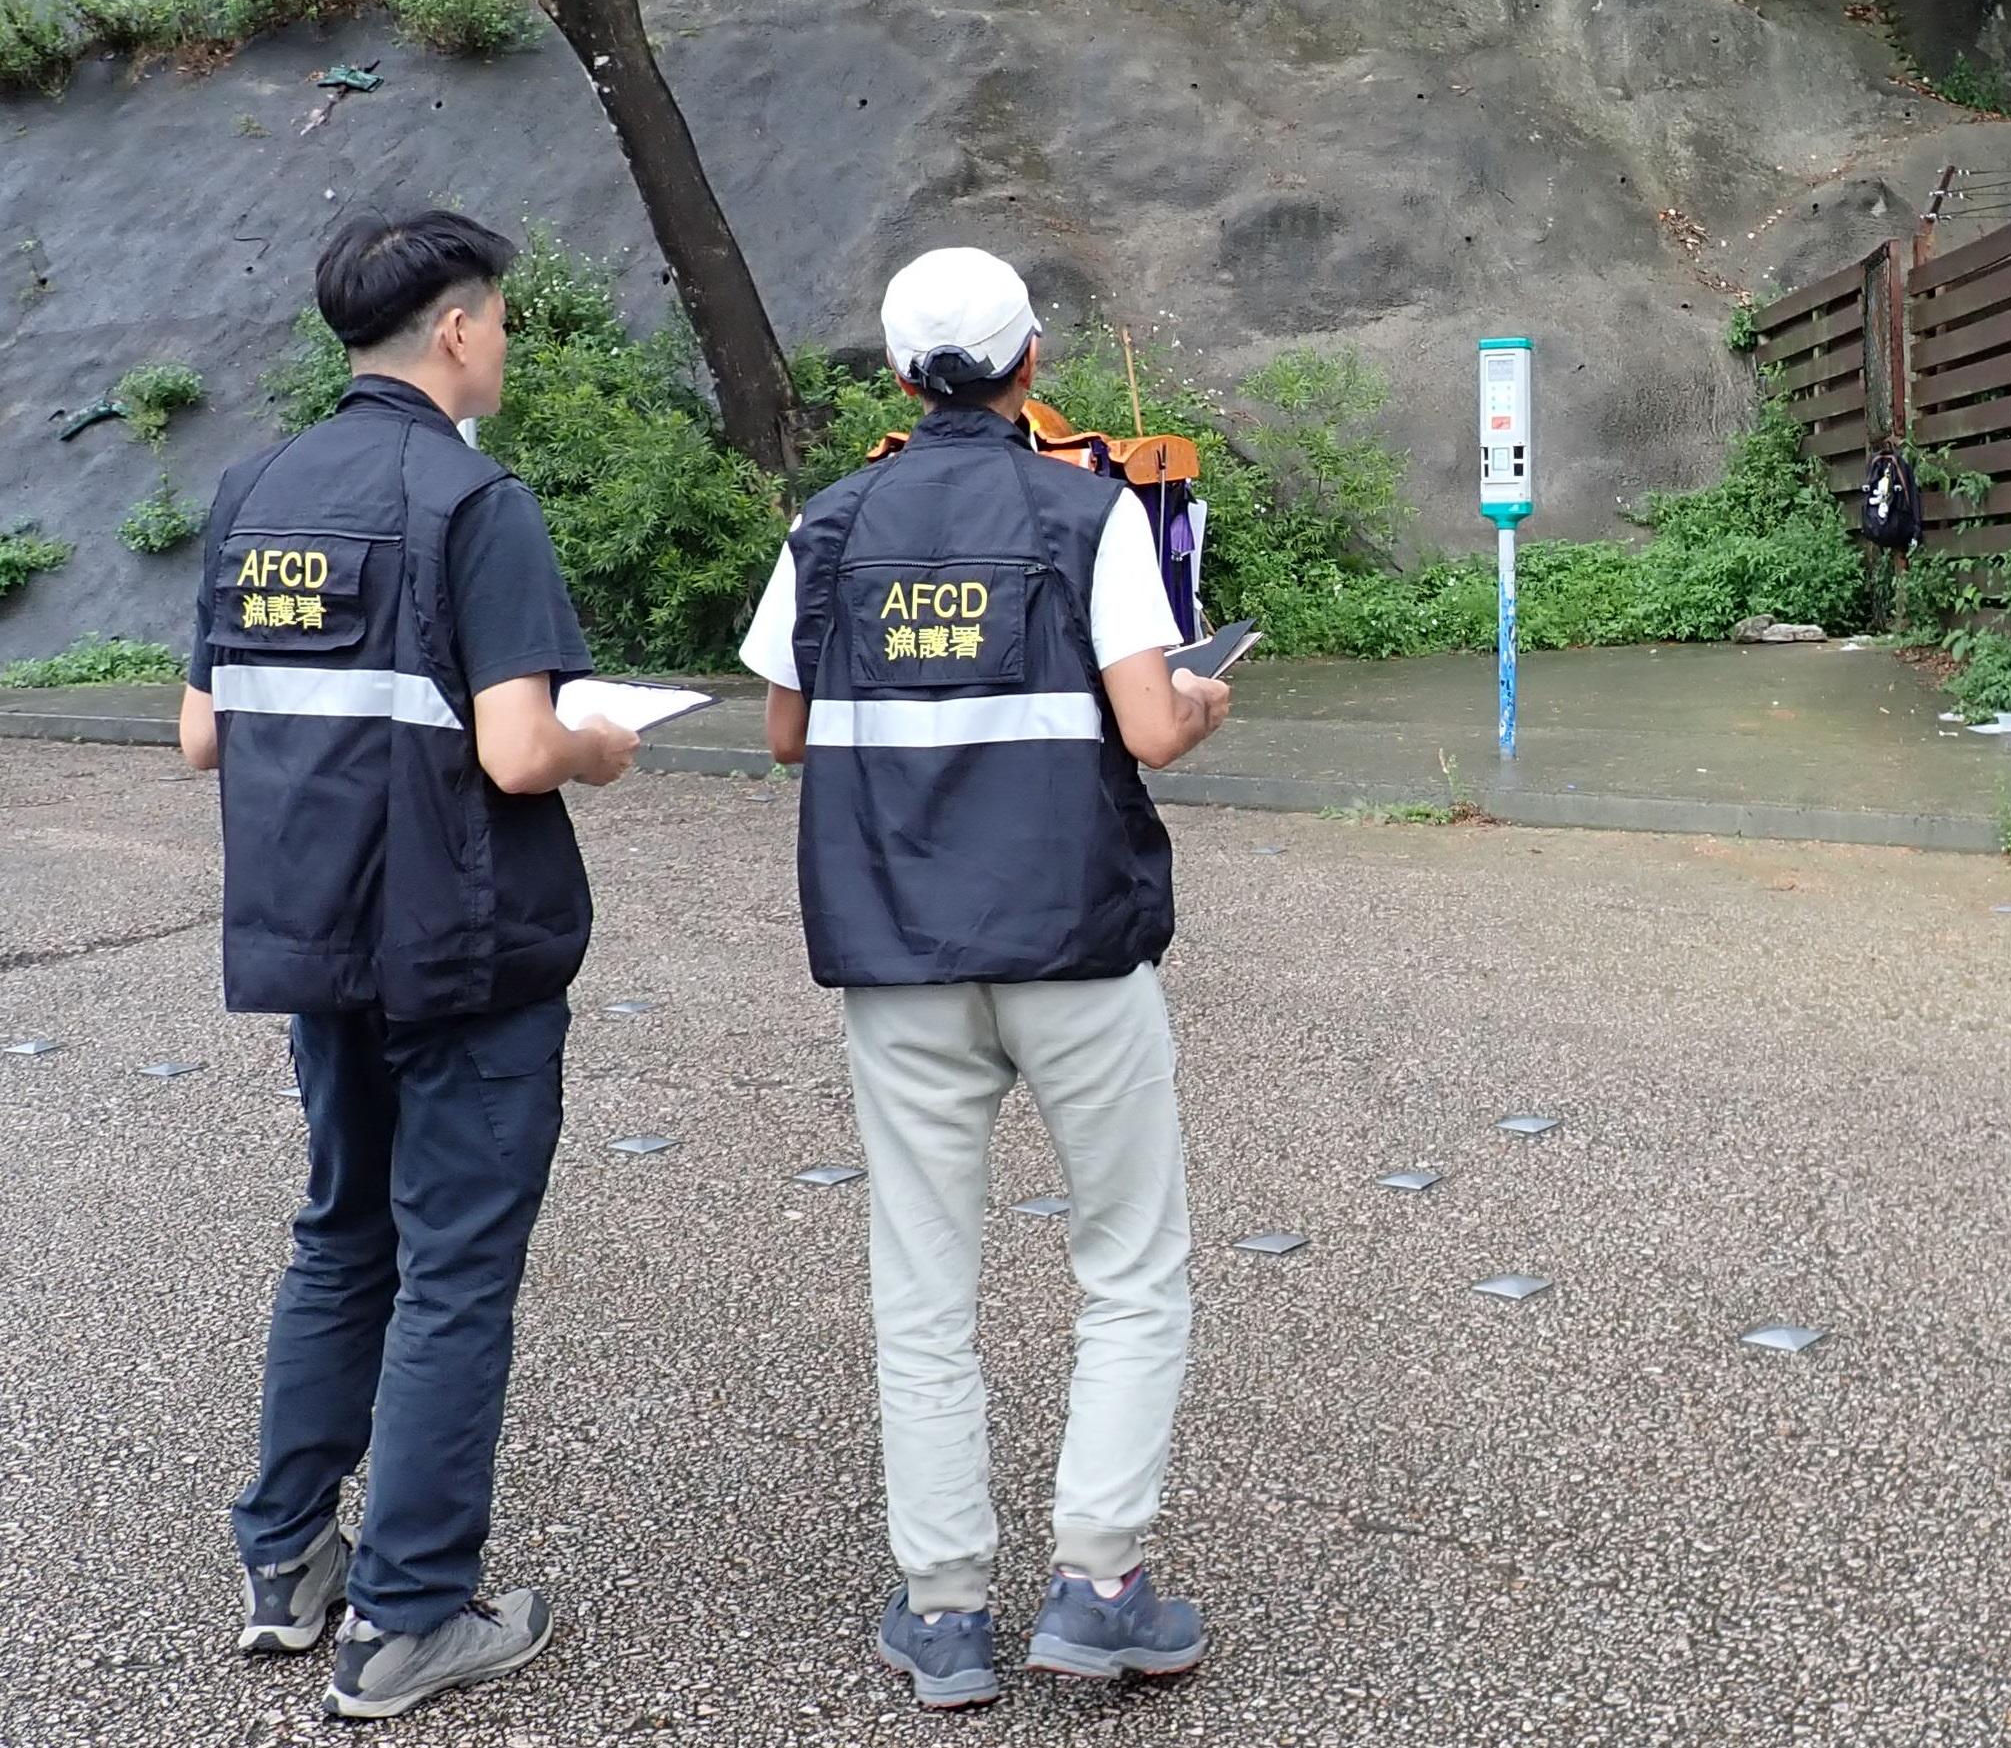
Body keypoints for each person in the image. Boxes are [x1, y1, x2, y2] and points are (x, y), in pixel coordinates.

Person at [737, 247, 1231, 1708]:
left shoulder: (829, 525)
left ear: (898, 378)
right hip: (1075, 937)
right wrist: (1198, 698)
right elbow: (1146, 727)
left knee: (923, 1283)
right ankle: (1099, 1584)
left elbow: (782, 730)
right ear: (1032, 365)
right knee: (1129, 1263)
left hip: (898, 952)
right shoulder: (1091, 511)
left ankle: (946, 1605)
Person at [181, 210, 640, 1722]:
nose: (501, 342)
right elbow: (517, 749)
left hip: (318, 940)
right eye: (497, 320)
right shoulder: (471, 500)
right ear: (457, 328)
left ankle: (284, 1561)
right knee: (452, 1273)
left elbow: (203, 731)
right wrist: (604, 741)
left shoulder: (253, 488)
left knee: (339, 1231)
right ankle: (410, 1615)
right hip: (463, 945)